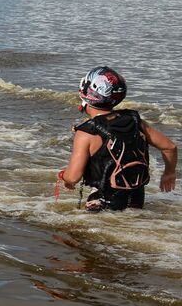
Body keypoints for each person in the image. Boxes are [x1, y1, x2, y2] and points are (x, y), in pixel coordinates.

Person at [59, 66, 176, 211]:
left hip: (102, 202)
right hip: (137, 198)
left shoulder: (87, 132)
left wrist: (63, 176)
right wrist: (169, 173)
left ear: (86, 92)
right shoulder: (134, 120)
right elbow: (169, 147)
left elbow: (73, 177)